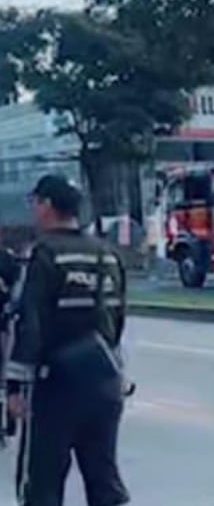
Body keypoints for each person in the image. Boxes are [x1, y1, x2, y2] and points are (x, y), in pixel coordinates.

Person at [7, 175, 130, 506]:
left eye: (35, 203)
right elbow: (117, 322)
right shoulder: (107, 255)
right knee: (103, 479)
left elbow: (29, 324)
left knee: (42, 483)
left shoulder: (44, 255)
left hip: (56, 386)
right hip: (105, 382)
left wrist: (15, 389)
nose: (33, 210)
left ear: (47, 205)